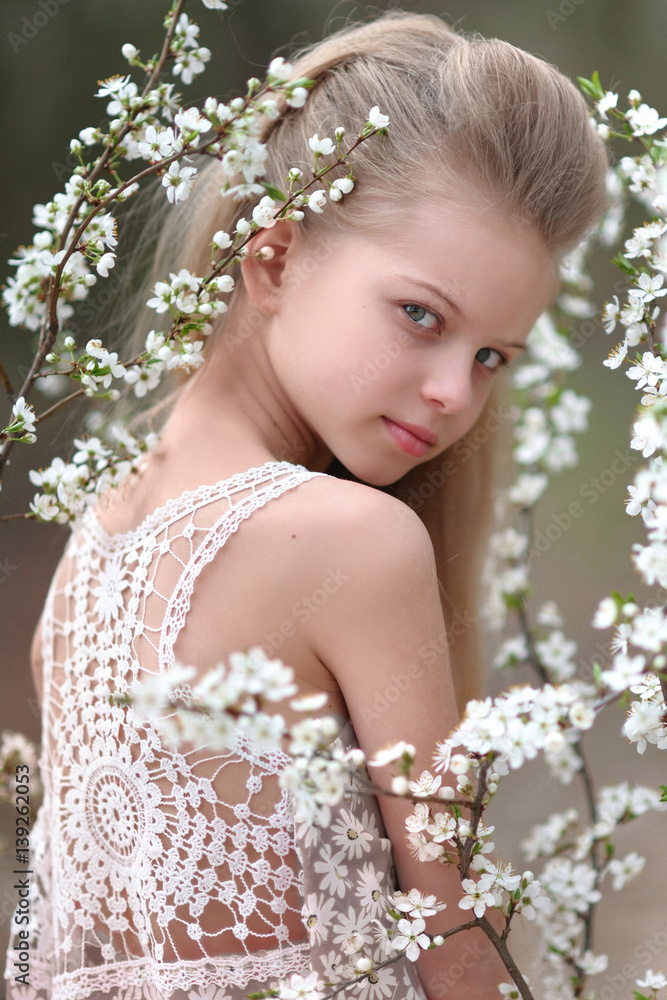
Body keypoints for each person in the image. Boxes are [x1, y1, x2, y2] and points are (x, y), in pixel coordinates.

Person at [4, 8, 609, 1000]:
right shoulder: (355, 544)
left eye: (491, 355)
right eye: (422, 315)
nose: (456, 392)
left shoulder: (84, 552)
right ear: (275, 257)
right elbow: (456, 945)